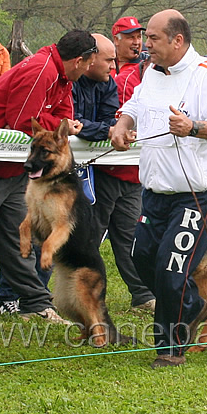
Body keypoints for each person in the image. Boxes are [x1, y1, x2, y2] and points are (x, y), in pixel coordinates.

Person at [110, 9, 207, 368]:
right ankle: (193, 305)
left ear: (178, 40)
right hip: (154, 191)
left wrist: (194, 127)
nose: (145, 44)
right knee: (140, 258)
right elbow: (134, 105)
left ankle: (170, 350)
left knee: (172, 269)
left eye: (152, 38)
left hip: (197, 192)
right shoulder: (150, 72)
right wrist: (122, 124)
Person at [0, 30, 96, 322]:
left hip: (17, 167)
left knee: (19, 236)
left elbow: (63, 117)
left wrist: (65, 125)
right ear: (78, 60)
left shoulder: (61, 76)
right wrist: (62, 126)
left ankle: (34, 302)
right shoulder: (41, 69)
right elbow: (23, 120)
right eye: (88, 63)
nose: (88, 69)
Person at [70, 33, 156, 311]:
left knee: (131, 237)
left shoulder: (109, 81)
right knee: (90, 237)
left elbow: (104, 121)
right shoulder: (124, 81)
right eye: (109, 60)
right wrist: (109, 130)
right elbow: (106, 124)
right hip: (104, 172)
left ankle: (142, 295)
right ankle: (84, 296)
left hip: (134, 175)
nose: (112, 66)